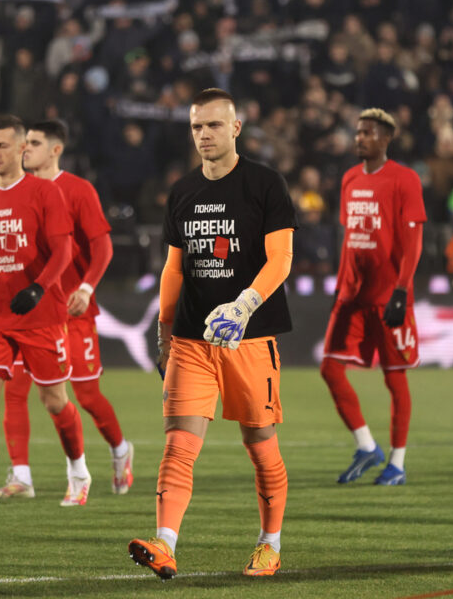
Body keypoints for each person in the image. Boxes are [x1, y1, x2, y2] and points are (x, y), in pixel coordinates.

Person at [128, 88, 297, 579]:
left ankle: (270, 543)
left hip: (250, 337)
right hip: (192, 341)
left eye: (214, 125)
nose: (204, 135)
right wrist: (164, 329)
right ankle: (164, 544)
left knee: (261, 443)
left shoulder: (265, 184)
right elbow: (174, 270)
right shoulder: (182, 191)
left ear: (236, 128)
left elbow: (280, 258)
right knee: (179, 444)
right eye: (197, 126)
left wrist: (244, 305)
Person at [0, 114, 89, 513]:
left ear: (21, 150)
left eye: (3, 145)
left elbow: (63, 250)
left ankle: (78, 473)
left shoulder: (45, 193)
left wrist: (39, 288)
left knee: (54, 399)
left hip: (41, 314)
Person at [0, 119, 133, 501]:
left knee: (86, 396)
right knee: (16, 392)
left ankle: (120, 449)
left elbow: (102, 247)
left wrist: (86, 288)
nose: (25, 149)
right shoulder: (12, 191)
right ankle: (21, 475)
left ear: (56, 149)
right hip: (30, 314)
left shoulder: (77, 190)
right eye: (25, 143)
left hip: (72, 310)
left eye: (34, 143)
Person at [319, 108, 426, 486]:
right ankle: (366, 445)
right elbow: (352, 238)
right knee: (330, 368)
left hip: (388, 297)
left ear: (384, 138)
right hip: (351, 296)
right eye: (357, 132)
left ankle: (397, 461)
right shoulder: (349, 179)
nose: (358, 138)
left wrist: (401, 289)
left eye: (366, 133)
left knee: (395, 379)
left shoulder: (405, 179)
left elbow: (414, 242)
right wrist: (340, 285)